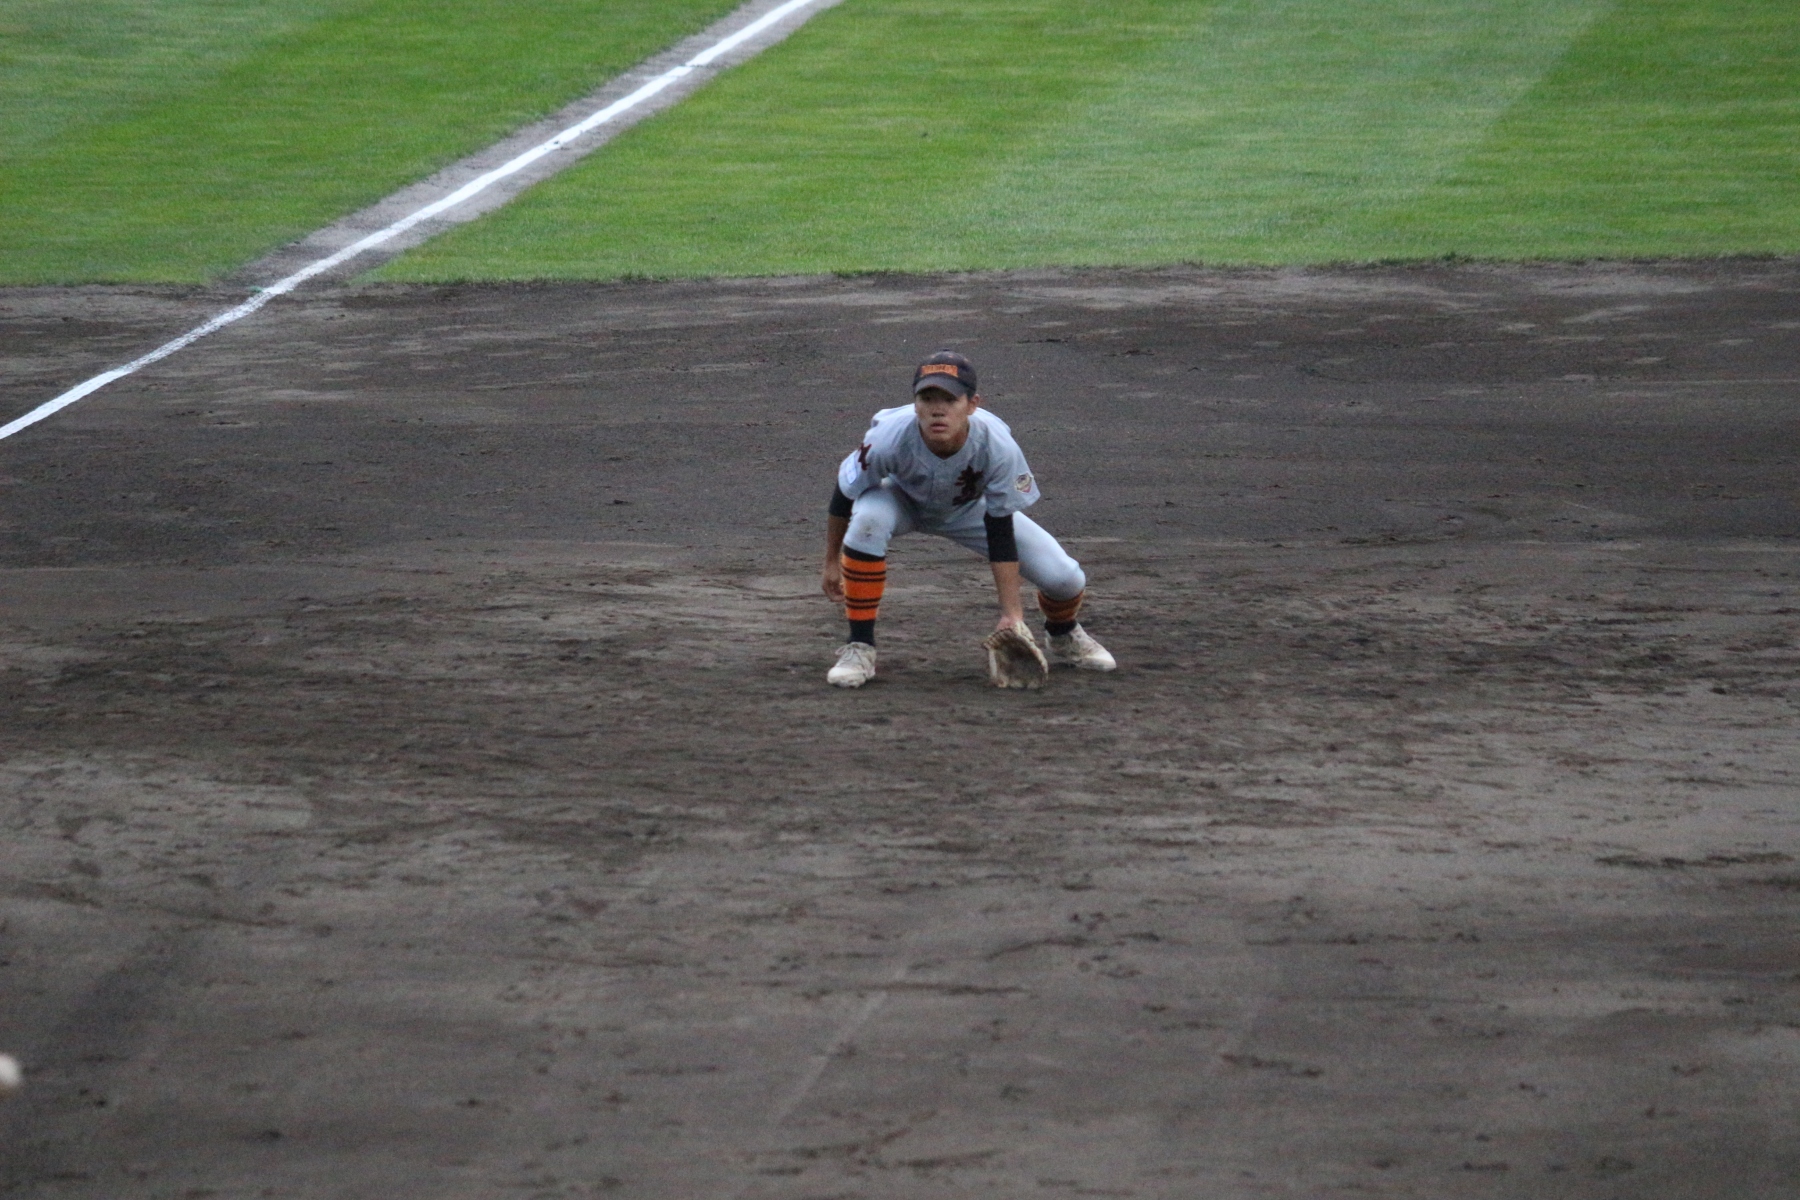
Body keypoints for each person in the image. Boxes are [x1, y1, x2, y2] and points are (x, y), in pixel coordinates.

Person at [820, 350, 1116, 687]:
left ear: (972, 404)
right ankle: (860, 647)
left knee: (1065, 578)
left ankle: (1063, 633)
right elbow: (846, 491)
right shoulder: (888, 437)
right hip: (899, 500)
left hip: (969, 508)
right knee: (867, 521)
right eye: (927, 399)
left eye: (950, 399)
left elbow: (1000, 528)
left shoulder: (997, 445)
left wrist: (1012, 615)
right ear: (915, 404)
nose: (938, 410)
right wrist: (831, 561)